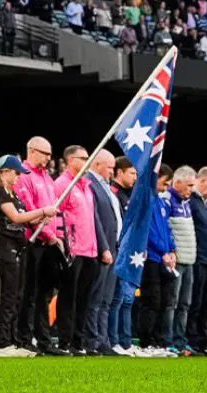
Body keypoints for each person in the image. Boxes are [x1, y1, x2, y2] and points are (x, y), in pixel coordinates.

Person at [0, 154, 55, 357]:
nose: (19, 177)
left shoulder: (14, 193)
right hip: (6, 245)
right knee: (9, 294)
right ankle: (3, 342)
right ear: (5, 171)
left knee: (19, 294)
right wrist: (42, 210)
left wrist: (42, 217)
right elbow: (15, 217)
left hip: (19, 244)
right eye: (16, 173)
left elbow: (26, 220)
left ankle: (15, 340)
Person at [14, 136, 65, 355]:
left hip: (48, 242)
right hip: (32, 240)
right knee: (29, 293)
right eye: (45, 153)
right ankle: (25, 338)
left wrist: (56, 235)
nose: (48, 158)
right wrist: (49, 235)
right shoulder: (24, 176)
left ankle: (43, 339)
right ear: (32, 151)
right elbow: (29, 210)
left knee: (44, 293)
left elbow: (53, 210)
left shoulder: (47, 178)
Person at [52, 145, 96, 355]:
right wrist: (63, 244)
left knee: (84, 299)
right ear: (71, 160)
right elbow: (56, 215)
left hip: (89, 250)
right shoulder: (62, 185)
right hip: (73, 250)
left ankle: (79, 342)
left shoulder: (86, 186)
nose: (88, 161)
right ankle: (65, 341)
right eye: (84, 157)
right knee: (68, 297)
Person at [135, 165, 175, 356]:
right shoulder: (146, 200)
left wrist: (172, 250)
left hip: (164, 259)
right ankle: (146, 342)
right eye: (164, 182)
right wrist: (162, 250)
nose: (166, 188)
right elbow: (147, 231)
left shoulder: (161, 202)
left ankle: (159, 342)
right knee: (151, 301)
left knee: (164, 301)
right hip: (151, 258)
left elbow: (167, 230)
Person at [86, 150, 123, 357]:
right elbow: (95, 219)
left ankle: (103, 340)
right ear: (97, 164)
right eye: (109, 167)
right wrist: (103, 247)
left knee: (106, 300)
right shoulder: (90, 183)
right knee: (95, 298)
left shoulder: (106, 187)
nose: (112, 171)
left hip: (114, 248)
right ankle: (92, 340)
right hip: (103, 250)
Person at [107, 156, 137, 355]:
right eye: (132, 173)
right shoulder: (114, 193)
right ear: (120, 172)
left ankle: (124, 342)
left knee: (125, 299)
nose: (135, 177)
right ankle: (113, 340)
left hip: (127, 253)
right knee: (116, 299)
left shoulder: (128, 194)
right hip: (117, 251)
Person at [187, 167, 207, 355]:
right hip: (199, 259)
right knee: (195, 303)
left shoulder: (205, 204)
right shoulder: (191, 201)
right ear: (202, 180)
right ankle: (193, 340)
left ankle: (203, 340)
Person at [167, 166, 196, 356]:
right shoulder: (168, 200)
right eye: (189, 185)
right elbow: (166, 229)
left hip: (189, 261)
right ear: (177, 183)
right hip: (176, 260)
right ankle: (168, 340)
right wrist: (171, 251)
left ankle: (180, 340)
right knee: (172, 302)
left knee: (184, 304)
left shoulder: (186, 202)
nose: (192, 189)